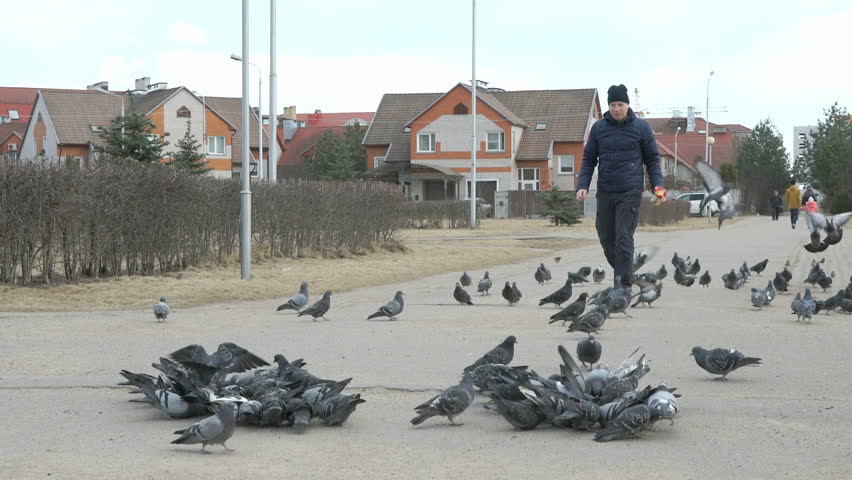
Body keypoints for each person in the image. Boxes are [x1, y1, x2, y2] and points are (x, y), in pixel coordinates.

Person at [576, 84, 666, 289]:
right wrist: (582, 185)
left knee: (624, 238)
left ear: (627, 105)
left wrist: (658, 186)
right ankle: (626, 273)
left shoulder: (641, 128)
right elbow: (589, 158)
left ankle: (623, 287)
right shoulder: (599, 128)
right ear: (609, 106)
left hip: (630, 191)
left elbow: (652, 159)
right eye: (613, 105)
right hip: (606, 191)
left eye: (621, 104)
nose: (617, 109)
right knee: (606, 238)